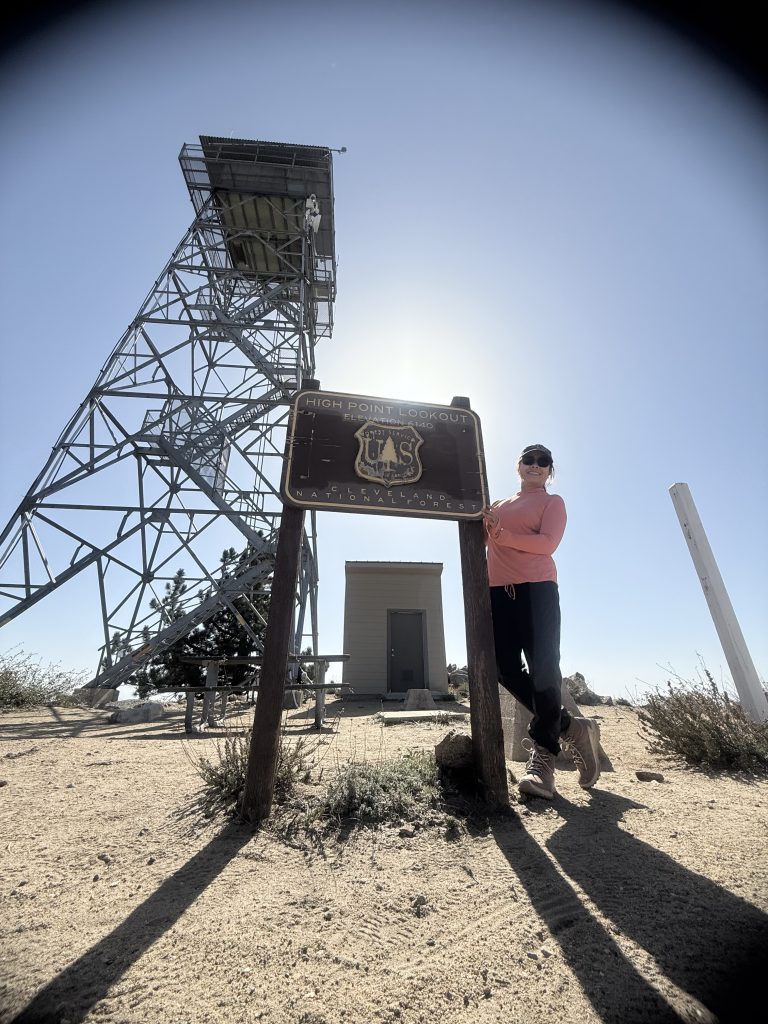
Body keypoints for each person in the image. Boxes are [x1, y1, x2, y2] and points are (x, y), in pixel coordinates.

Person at [482, 443, 601, 799]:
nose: (535, 465)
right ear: (518, 465)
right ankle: (571, 728)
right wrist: (483, 523)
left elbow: (547, 543)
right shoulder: (497, 506)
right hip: (498, 592)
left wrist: (503, 535)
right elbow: (480, 539)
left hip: (537, 589)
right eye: (529, 459)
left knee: (544, 669)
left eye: (543, 461)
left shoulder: (552, 503)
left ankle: (544, 762)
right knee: (503, 668)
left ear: (550, 470)